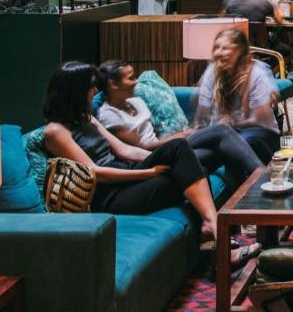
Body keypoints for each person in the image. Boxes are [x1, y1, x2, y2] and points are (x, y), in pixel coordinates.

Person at [42, 61, 220, 241]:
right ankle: (215, 227)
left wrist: (170, 160)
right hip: (107, 195)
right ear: (75, 91)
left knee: (183, 154)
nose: (95, 91)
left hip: (123, 172)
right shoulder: (55, 131)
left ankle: (210, 226)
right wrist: (148, 173)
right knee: (191, 173)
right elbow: (95, 173)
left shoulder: (86, 118)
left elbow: (124, 150)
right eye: (90, 87)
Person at [95, 60, 264, 190]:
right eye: (130, 78)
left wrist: (179, 134)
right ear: (113, 84)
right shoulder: (109, 115)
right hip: (151, 157)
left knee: (222, 149)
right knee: (221, 129)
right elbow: (141, 147)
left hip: (168, 147)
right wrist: (179, 137)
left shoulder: (136, 101)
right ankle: (263, 177)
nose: (136, 81)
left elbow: (155, 134)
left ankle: (241, 206)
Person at [195, 28, 281, 163]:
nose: (218, 52)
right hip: (220, 135)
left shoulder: (256, 73)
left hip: (258, 131)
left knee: (241, 144)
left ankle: (258, 173)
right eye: (216, 47)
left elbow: (258, 121)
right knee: (196, 156)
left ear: (239, 50)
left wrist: (231, 123)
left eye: (225, 48)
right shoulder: (211, 72)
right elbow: (202, 116)